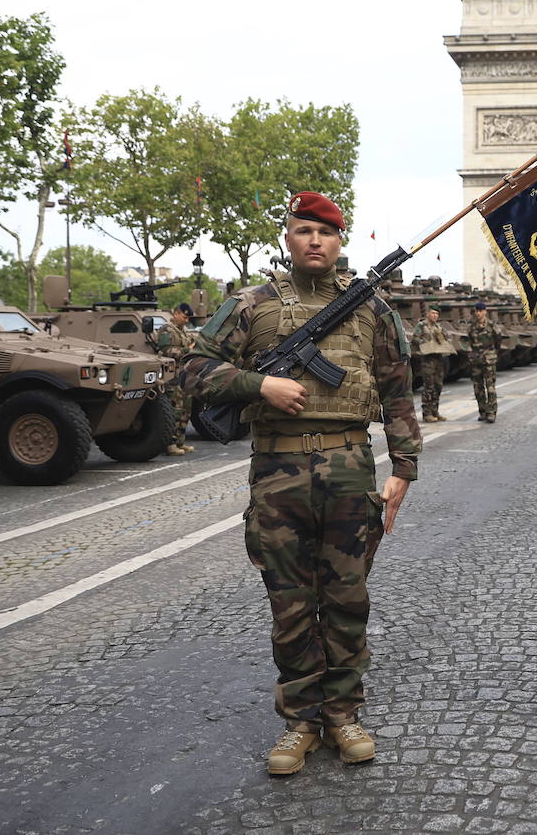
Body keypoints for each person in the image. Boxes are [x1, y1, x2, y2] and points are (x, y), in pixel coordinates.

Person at [181, 191, 421, 775]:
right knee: (290, 603)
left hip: (348, 467)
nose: (315, 240)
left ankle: (343, 714)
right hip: (278, 471)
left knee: (346, 600)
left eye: (326, 232)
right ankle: (300, 722)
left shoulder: (371, 309)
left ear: (341, 242)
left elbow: (396, 389)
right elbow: (192, 369)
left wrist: (405, 469)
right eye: (303, 230)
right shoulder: (251, 305)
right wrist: (257, 387)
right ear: (286, 238)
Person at [156, 302, 197, 455]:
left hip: (185, 376)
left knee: (186, 410)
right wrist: (188, 350)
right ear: (176, 313)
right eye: (184, 317)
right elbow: (166, 350)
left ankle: (180, 441)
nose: (186, 320)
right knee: (175, 410)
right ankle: (170, 443)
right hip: (173, 377)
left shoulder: (183, 331)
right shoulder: (167, 330)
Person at [413, 305, 455, 423]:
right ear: (427, 314)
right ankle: (427, 413)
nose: (435, 316)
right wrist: (425, 343)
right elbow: (414, 339)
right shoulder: (421, 326)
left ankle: (435, 411)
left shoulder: (439, 327)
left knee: (438, 386)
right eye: (432, 313)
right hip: (427, 360)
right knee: (428, 387)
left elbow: (448, 338)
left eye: (436, 314)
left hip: (439, 359)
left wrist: (443, 341)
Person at [467, 301, 503, 423]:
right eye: (476, 311)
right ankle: (482, 411)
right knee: (478, 388)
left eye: (480, 311)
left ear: (485, 311)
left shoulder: (492, 326)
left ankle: (491, 412)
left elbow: (498, 340)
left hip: (489, 360)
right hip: (476, 360)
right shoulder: (471, 327)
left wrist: (492, 352)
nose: (478, 313)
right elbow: (470, 342)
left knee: (490, 387)